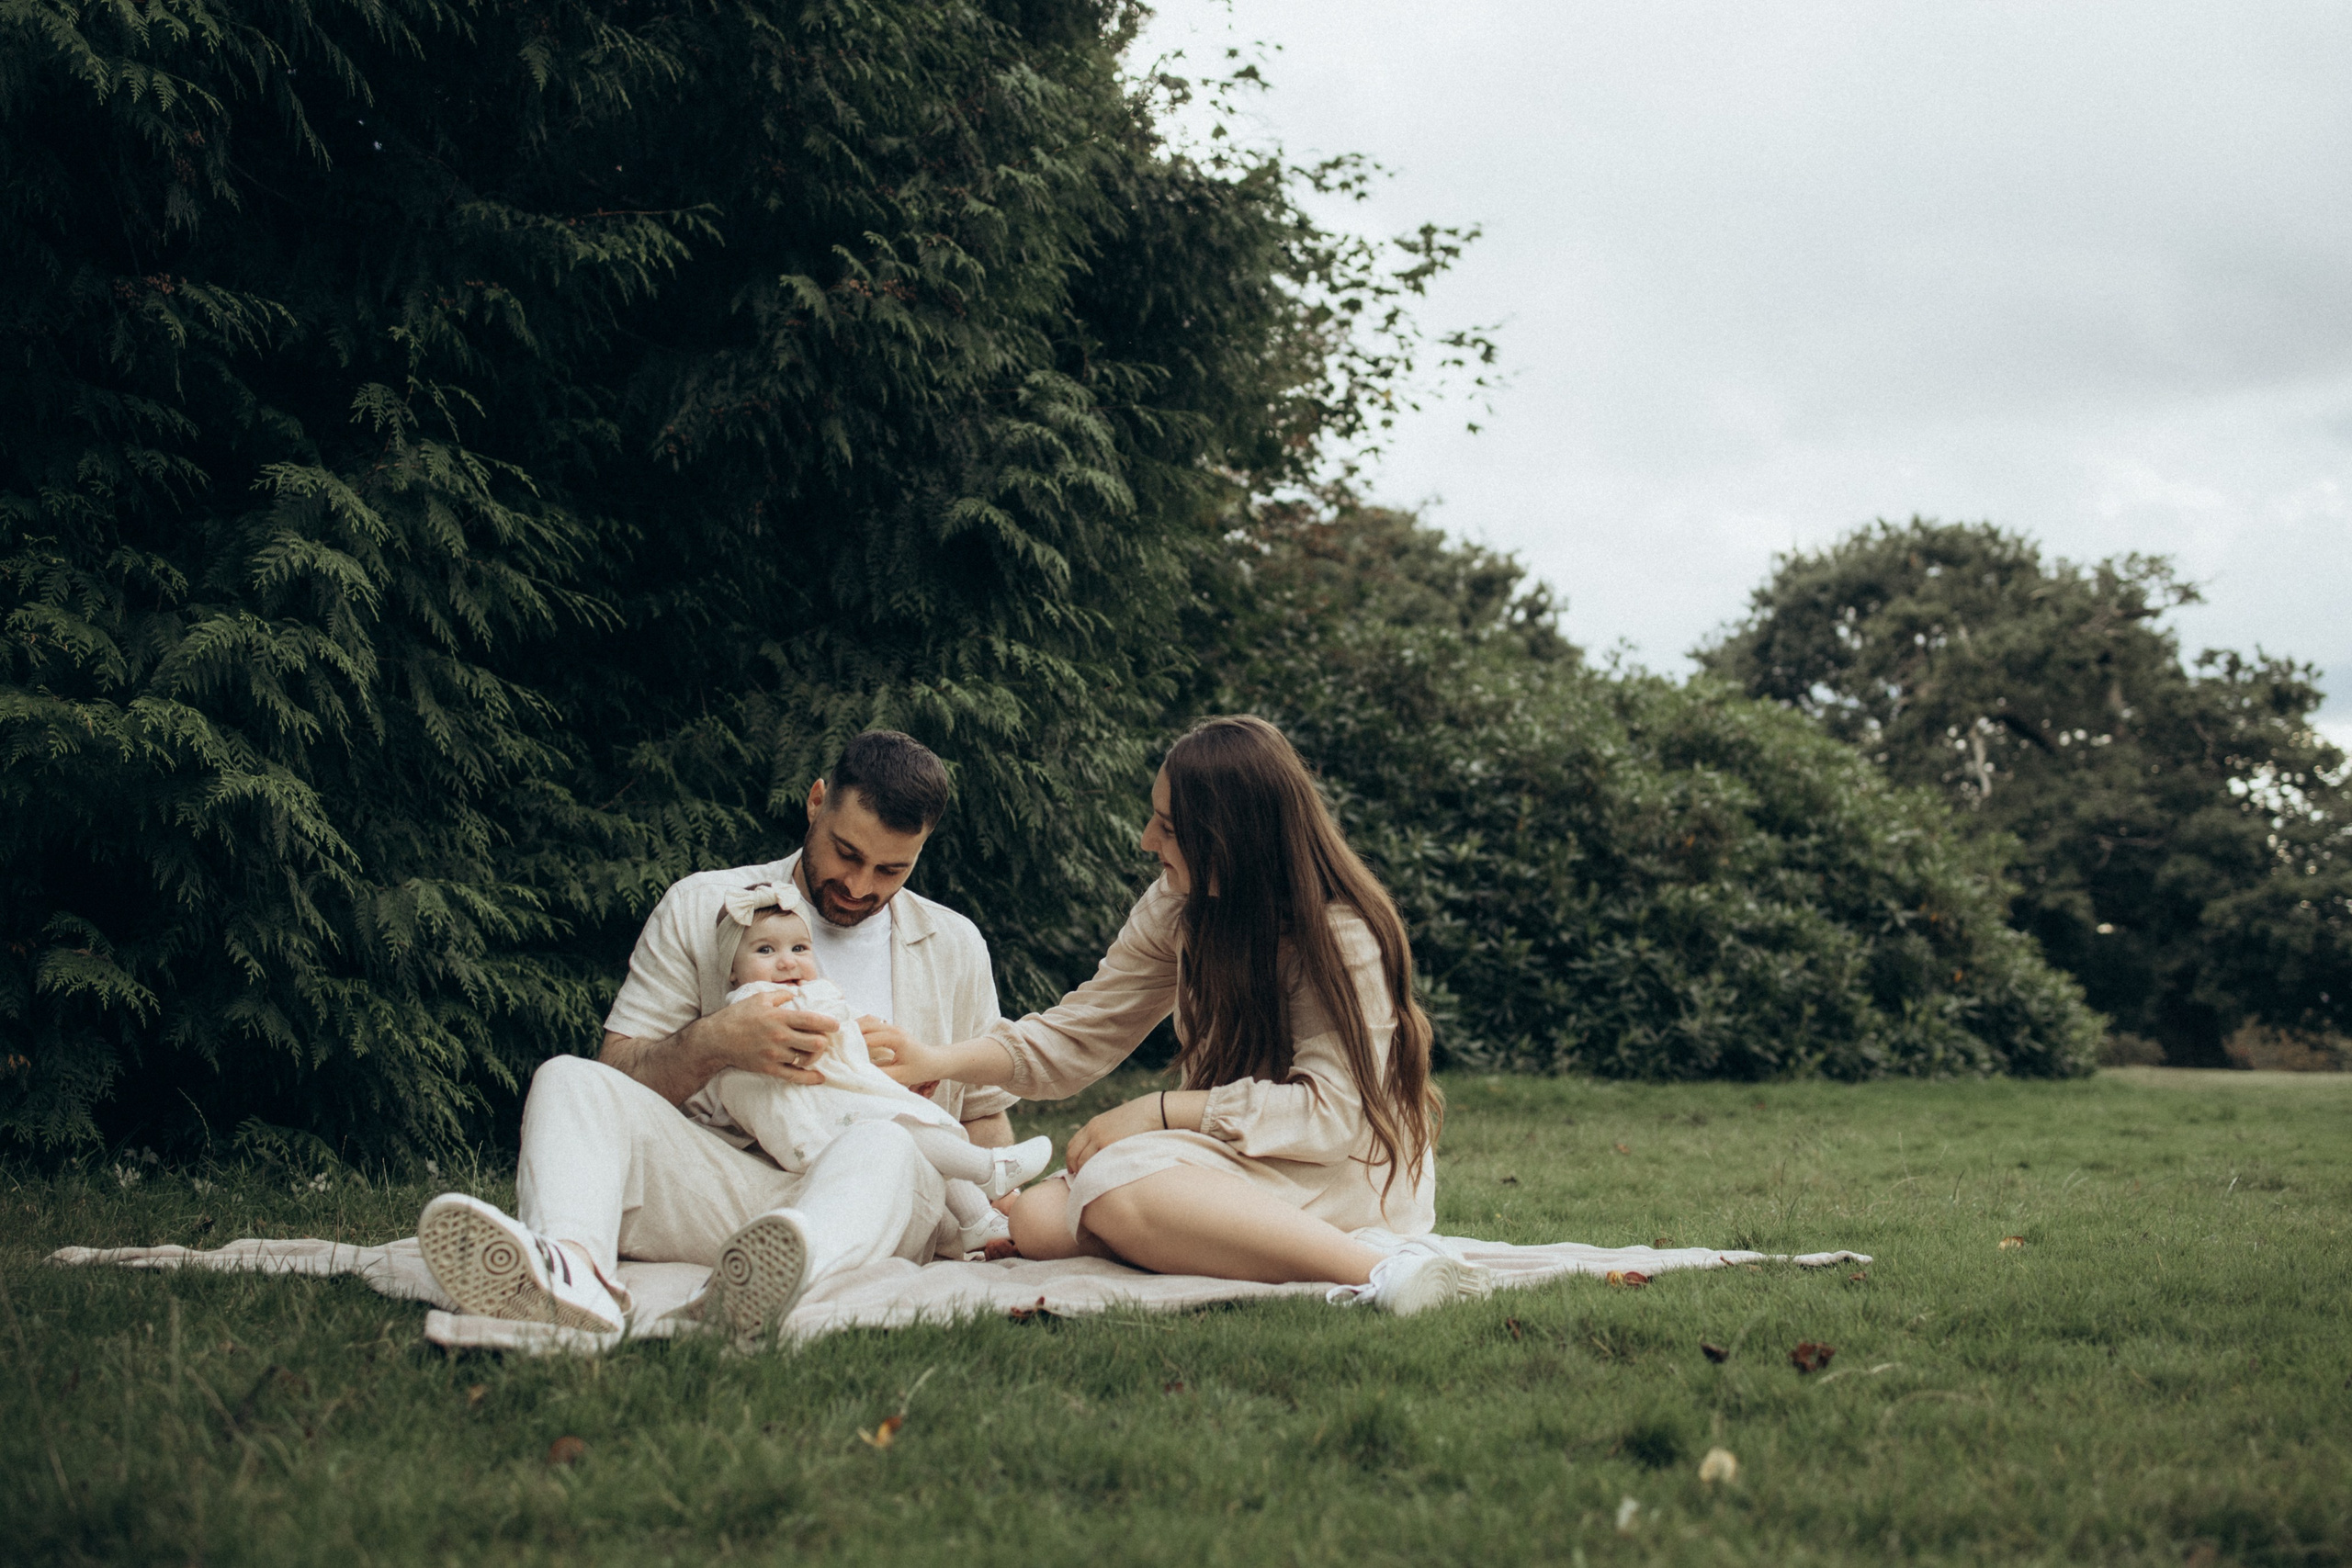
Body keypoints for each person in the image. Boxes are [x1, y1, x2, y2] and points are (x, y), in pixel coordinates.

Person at [872, 715, 1496, 1316]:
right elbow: (1077, 1034)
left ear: (1232, 838)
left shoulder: (1342, 934)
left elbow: (1330, 1119)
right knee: (1035, 1219)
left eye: (1169, 827)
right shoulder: (1180, 904)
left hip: (1348, 1168)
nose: (1147, 838)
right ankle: (1216, 1232)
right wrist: (936, 1059)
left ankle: (1381, 1268)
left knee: (1114, 1183)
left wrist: (1158, 1111)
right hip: (1239, 1156)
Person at [417, 730, 1016, 1336]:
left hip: (872, 1195)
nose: (860, 886)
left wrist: (1009, 1222)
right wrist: (717, 1042)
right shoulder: (704, 904)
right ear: (815, 803)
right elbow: (618, 1072)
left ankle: (765, 1285)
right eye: (845, 852)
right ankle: (572, 1275)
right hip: (720, 1180)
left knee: (886, 1143)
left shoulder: (956, 945)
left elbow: (984, 1118)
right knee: (568, 1078)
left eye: (892, 868)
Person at [686, 880, 1051, 1246]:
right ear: (732, 969)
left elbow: (845, 1036)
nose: (787, 961)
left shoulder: (807, 994)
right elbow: (818, 1031)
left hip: (829, 1108)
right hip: (822, 1118)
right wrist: (854, 1034)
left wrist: (878, 1051)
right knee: (911, 1127)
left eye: (799, 947)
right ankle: (990, 1169)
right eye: (765, 950)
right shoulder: (756, 1002)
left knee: (923, 1140)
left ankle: (978, 1220)